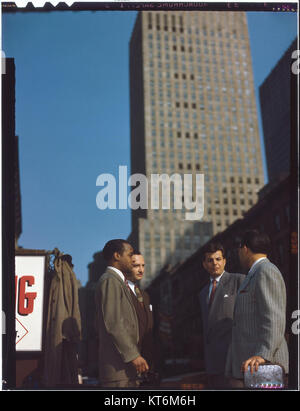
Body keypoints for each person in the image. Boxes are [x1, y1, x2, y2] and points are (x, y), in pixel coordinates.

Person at [226, 230, 289, 388]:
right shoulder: (254, 273)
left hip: (264, 367)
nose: (239, 254)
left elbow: (274, 318)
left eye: (239, 250)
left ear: (245, 249)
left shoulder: (265, 271)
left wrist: (263, 354)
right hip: (250, 367)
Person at [95, 239, 149, 388]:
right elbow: (113, 323)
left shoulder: (119, 281)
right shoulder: (110, 281)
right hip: (117, 370)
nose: (132, 258)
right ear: (117, 256)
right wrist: (134, 356)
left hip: (125, 370)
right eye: (129, 254)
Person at [199, 242, 245, 389]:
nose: (215, 263)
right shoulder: (202, 293)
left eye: (218, 259)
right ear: (204, 264)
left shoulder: (239, 280)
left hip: (234, 360)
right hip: (211, 364)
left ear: (225, 261)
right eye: (210, 260)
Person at [126, 251, 158, 387]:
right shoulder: (121, 291)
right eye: (136, 265)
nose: (141, 270)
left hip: (147, 365)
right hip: (128, 363)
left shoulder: (145, 295)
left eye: (143, 265)